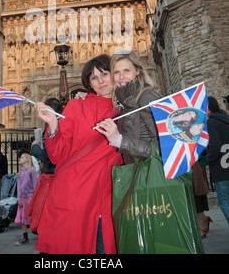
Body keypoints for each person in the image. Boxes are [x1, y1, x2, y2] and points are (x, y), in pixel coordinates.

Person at [34, 54, 123, 254]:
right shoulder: (77, 106)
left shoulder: (129, 108)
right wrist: (53, 125)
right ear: (89, 84)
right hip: (77, 196)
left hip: (111, 197)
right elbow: (57, 155)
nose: (100, 81)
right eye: (93, 78)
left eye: (104, 73)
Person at [95, 51, 160, 163]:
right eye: (116, 72)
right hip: (136, 173)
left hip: (152, 175)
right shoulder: (124, 102)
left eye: (126, 70)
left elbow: (161, 148)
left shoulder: (146, 97)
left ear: (138, 71)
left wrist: (119, 140)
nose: (121, 77)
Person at [27, 98, 58, 234]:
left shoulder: (55, 126)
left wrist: (35, 149)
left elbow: (50, 156)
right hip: (50, 176)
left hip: (52, 178)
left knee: (44, 210)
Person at [206, 96, 229, 225]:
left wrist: (209, 159)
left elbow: (215, 146)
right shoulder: (226, 120)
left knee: (225, 202)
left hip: (221, 170)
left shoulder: (212, 123)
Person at [14, 153, 37, 245]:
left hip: (31, 197)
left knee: (32, 216)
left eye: (22, 157)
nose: (20, 158)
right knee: (21, 217)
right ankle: (25, 236)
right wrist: (18, 198)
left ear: (27, 159)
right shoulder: (20, 172)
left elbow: (35, 185)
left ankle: (38, 231)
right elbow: (18, 186)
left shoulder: (32, 170)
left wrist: (35, 198)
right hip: (22, 198)